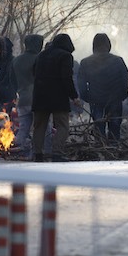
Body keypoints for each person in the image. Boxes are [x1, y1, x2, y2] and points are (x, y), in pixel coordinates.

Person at [31, 34, 80, 162]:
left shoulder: (41, 55)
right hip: (58, 97)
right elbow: (67, 78)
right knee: (62, 126)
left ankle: (38, 155)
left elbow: (33, 72)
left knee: (39, 126)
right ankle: (57, 154)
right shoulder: (66, 56)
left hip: (40, 96)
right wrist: (74, 96)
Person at [78, 33, 128, 142]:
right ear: (108, 45)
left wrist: (87, 97)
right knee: (114, 126)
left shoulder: (85, 62)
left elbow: (81, 83)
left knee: (98, 126)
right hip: (115, 99)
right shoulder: (117, 60)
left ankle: (100, 148)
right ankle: (113, 148)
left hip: (95, 99)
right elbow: (125, 79)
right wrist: (122, 95)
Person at [10, 34, 44, 158]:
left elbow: (12, 81)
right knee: (40, 128)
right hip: (38, 99)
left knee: (23, 128)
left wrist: (18, 92)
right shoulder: (40, 58)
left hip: (22, 99)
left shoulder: (16, 60)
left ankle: (15, 150)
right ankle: (40, 153)